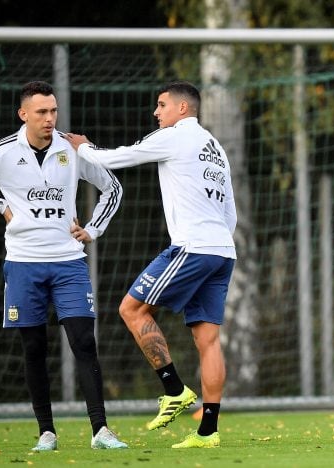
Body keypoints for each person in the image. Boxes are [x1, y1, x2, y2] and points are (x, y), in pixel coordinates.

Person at [0, 81, 127, 451]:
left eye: (53, 111)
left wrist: (92, 230)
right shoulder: (3, 153)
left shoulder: (73, 148)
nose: (49, 118)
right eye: (41, 112)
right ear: (23, 114)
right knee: (33, 348)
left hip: (69, 262)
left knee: (83, 342)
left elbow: (113, 188)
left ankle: (101, 431)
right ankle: (47, 432)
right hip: (24, 264)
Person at [64, 80, 236, 449]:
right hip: (222, 249)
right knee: (208, 340)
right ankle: (208, 432)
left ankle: (173, 389)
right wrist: (216, 241)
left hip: (193, 247)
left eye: (161, 105)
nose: (156, 112)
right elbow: (230, 211)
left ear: (182, 109)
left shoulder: (176, 136)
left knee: (131, 308)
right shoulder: (215, 147)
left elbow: (117, 158)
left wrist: (84, 148)